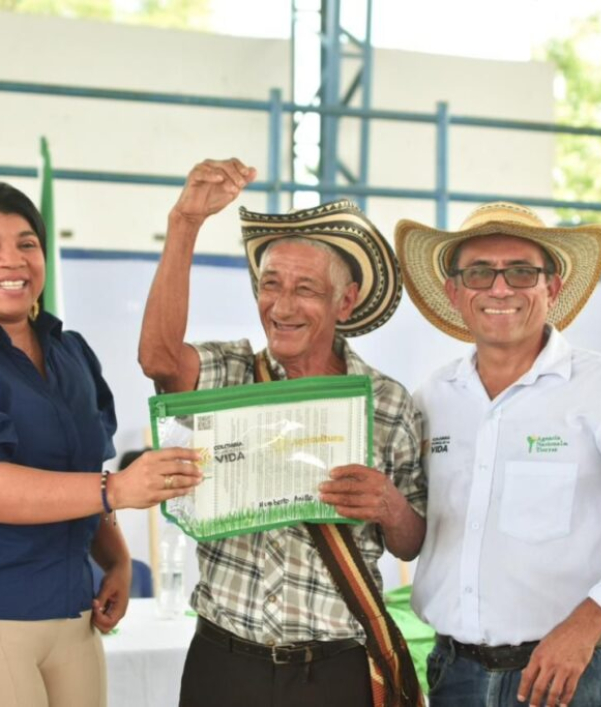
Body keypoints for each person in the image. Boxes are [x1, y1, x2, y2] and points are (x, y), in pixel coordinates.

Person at [0, 182, 202, 707]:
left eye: (27, 243)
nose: (12, 259)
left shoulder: (70, 352)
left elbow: (85, 472)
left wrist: (113, 558)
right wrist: (117, 489)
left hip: (69, 617)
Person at [139, 158, 427, 707]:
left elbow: (412, 539)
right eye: (270, 285)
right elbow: (157, 356)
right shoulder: (229, 373)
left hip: (335, 669)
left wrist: (389, 505)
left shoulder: (387, 402)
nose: (283, 306)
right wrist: (184, 224)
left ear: (345, 302)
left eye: (306, 290)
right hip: (224, 663)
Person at [394, 202, 601, 707]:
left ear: (551, 287)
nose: (500, 289)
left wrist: (586, 624)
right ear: (455, 292)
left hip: (562, 674)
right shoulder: (434, 395)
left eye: (521, 272)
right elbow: (425, 524)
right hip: (454, 674)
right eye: (479, 273)